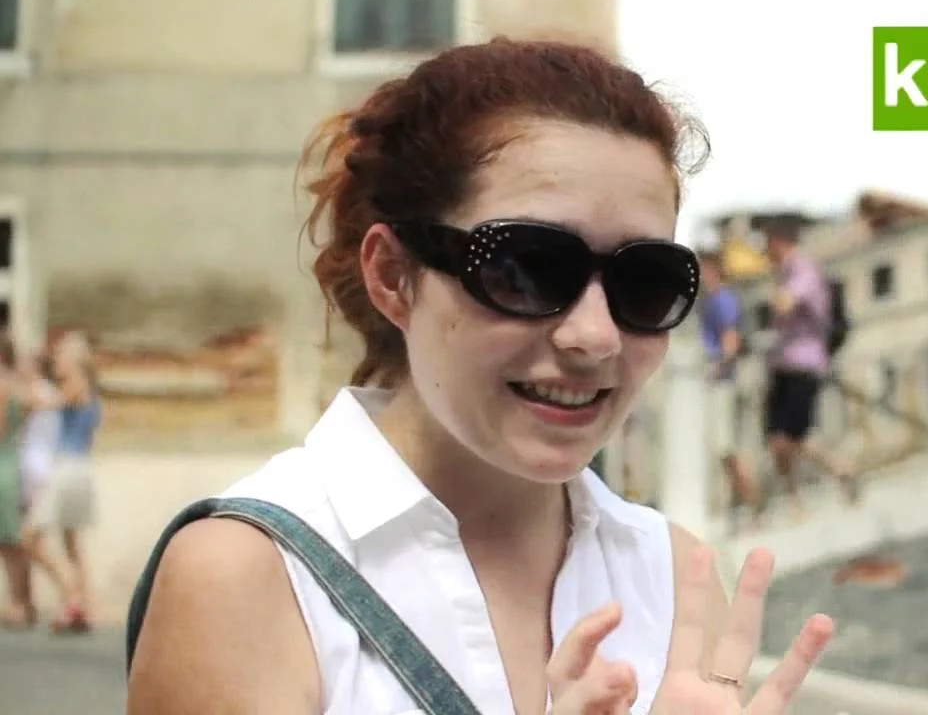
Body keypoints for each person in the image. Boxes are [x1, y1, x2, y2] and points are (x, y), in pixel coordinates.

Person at [126, 38, 833, 715]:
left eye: (646, 283)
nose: (594, 336)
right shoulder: (249, 572)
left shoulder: (673, 577)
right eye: (526, 269)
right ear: (392, 275)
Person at [760, 220, 850, 516]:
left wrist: (773, 294)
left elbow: (785, 304)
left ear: (779, 242)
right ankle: (794, 498)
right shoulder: (785, 272)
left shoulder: (803, 270)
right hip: (782, 363)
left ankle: (840, 469)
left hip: (804, 362)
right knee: (776, 438)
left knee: (795, 436)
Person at [23, 331, 102, 632]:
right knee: (72, 543)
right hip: (80, 466)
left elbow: (44, 403)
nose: (56, 361)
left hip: (66, 467)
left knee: (30, 536)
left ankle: (70, 594)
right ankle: (84, 605)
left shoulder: (76, 385)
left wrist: (29, 386)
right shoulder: (89, 390)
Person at [696, 250, 761, 530]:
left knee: (726, 449)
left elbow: (730, 340)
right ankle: (743, 506)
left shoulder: (721, 299)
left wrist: (718, 368)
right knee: (725, 450)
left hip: (724, 381)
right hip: (722, 380)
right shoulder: (712, 300)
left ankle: (753, 505)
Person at [0, 337, 32, 628]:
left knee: (9, 539)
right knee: (11, 538)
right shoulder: (17, 383)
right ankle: (23, 601)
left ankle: (19, 603)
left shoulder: (2, 383)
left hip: (3, 465)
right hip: (13, 461)